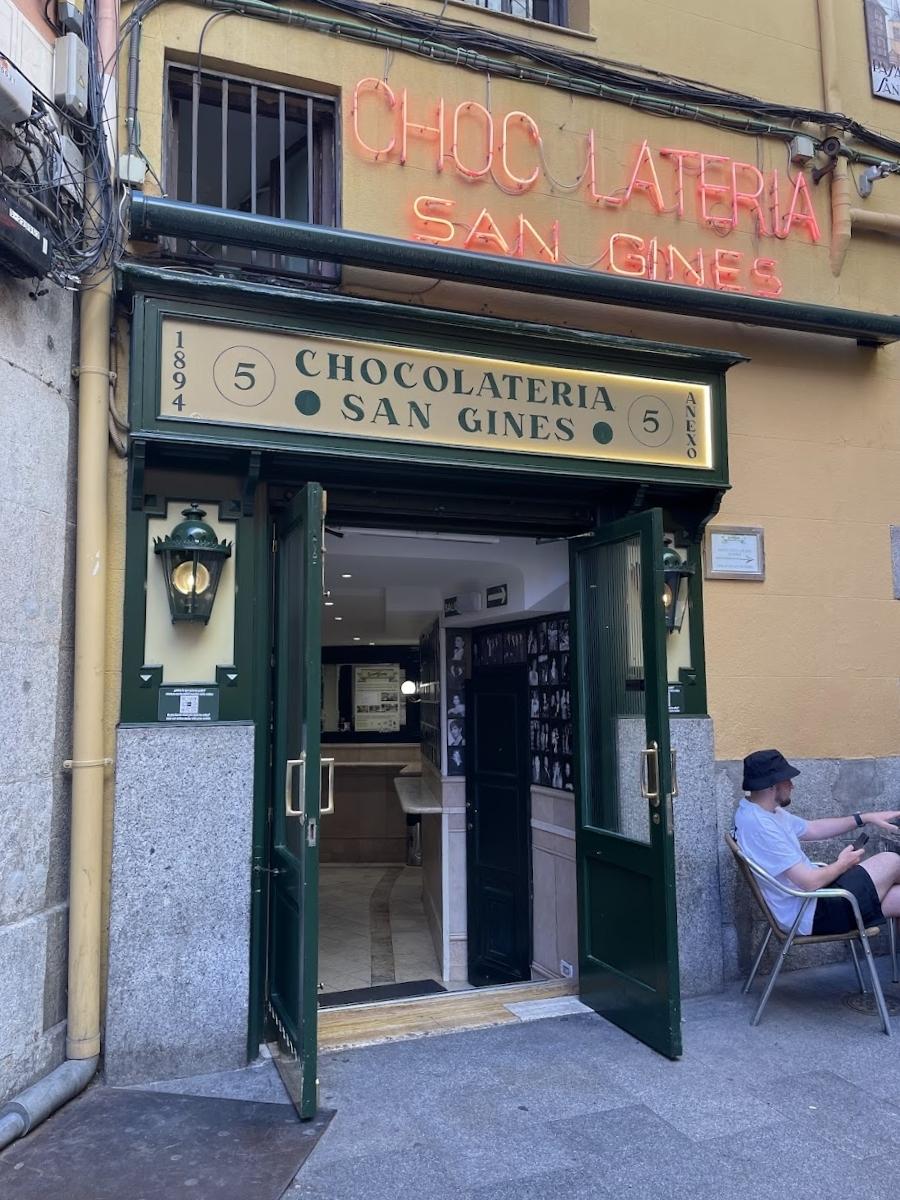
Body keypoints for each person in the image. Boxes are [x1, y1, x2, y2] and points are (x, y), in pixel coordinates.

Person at [734, 748, 900, 936]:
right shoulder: (760, 826)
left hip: (815, 901)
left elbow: (813, 828)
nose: (792, 785)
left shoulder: (761, 811)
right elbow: (809, 882)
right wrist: (842, 864)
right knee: (892, 860)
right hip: (811, 912)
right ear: (773, 785)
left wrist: (864, 818)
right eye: (787, 779)